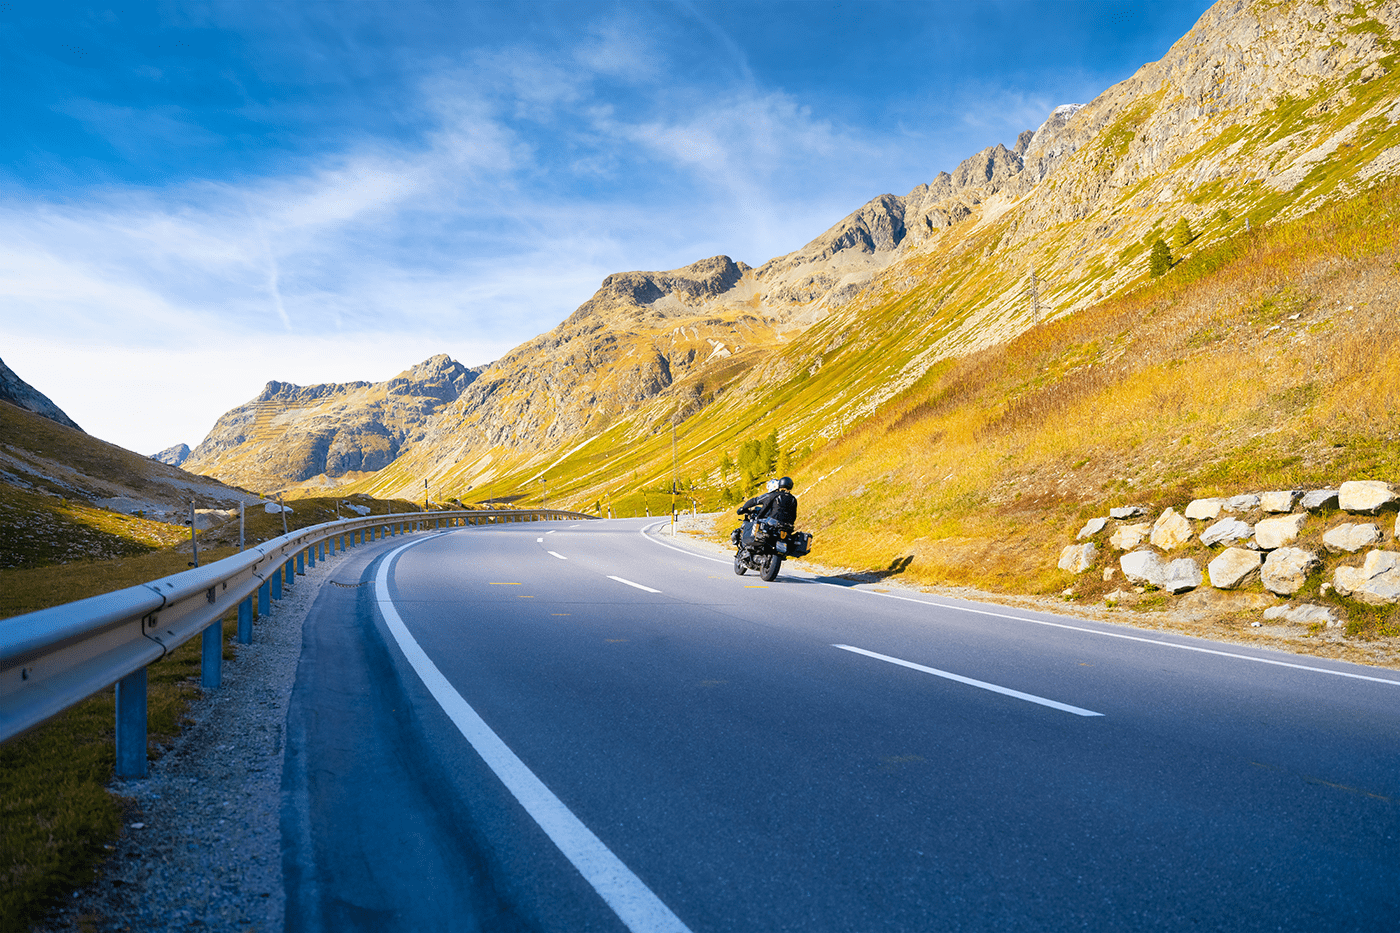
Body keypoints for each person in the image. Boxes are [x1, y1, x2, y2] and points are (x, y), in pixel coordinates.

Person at [735, 477, 798, 546]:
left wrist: (757, 517)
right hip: (788, 527)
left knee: (758, 527)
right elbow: (794, 515)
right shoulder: (793, 499)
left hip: (774, 523)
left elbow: (763, 505)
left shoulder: (774, 495)